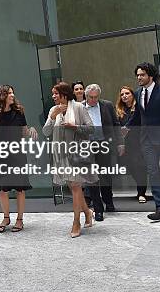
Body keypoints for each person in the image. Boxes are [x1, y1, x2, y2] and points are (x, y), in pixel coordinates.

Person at [125, 62, 160, 221]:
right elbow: (140, 115)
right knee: (153, 171)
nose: (139, 77)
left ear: (150, 76)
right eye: (138, 75)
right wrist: (126, 127)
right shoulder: (138, 92)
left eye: (142, 75)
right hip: (146, 140)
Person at [42, 82, 96, 238]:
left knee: (75, 187)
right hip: (61, 155)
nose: (53, 96)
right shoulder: (53, 110)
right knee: (74, 187)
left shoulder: (78, 107)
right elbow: (46, 132)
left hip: (77, 154)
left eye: (55, 93)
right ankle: (87, 212)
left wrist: (75, 126)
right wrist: (52, 117)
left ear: (64, 94)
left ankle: (76, 222)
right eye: (52, 94)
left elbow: (91, 128)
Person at [0, 85, 37, 233]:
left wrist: (31, 130)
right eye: (9, 93)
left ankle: (20, 219)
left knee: (20, 188)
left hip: (17, 153)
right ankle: (6, 217)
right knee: (2, 188)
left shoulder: (19, 112)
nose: (12, 95)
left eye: (13, 92)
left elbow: (24, 132)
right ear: (2, 95)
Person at [82, 84, 122, 222]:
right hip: (87, 146)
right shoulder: (79, 107)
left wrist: (120, 143)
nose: (93, 100)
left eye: (96, 97)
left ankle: (109, 202)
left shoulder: (107, 105)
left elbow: (116, 124)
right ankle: (98, 210)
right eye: (91, 97)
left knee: (105, 175)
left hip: (104, 143)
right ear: (86, 96)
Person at [116, 86, 148, 203]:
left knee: (140, 167)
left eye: (127, 93)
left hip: (139, 142)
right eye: (122, 94)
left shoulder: (138, 108)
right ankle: (140, 187)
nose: (124, 96)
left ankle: (141, 192)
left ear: (132, 95)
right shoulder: (120, 110)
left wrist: (127, 128)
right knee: (131, 167)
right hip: (127, 143)